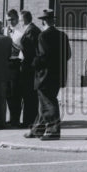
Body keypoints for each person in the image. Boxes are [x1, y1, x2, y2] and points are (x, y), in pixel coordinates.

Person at [25, 9, 71, 141]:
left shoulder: (43, 36)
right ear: (53, 20)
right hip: (58, 74)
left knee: (49, 102)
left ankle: (53, 131)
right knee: (44, 102)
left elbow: (43, 57)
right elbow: (67, 55)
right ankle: (37, 129)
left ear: (43, 21)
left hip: (44, 75)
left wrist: (33, 63)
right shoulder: (63, 35)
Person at [17, 10, 41, 128]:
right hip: (30, 66)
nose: (20, 22)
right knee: (29, 95)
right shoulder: (32, 29)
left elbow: (29, 50)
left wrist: (18, 46)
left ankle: (29, 121)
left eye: (21, 20)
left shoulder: (31, 30)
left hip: (29, 67)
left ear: (25, 19)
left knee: (29, 95)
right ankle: (30, 120)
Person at [5, 9, 24, 127]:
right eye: (8, 20)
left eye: (12, 19)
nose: (10, 22)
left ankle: (15, 118)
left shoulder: (21, 32)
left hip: (16, 63)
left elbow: (23, 49)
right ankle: (11, 117)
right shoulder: (4, 31)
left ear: (17, 19)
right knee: (7, 93)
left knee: (16, 92)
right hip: (5, 64)